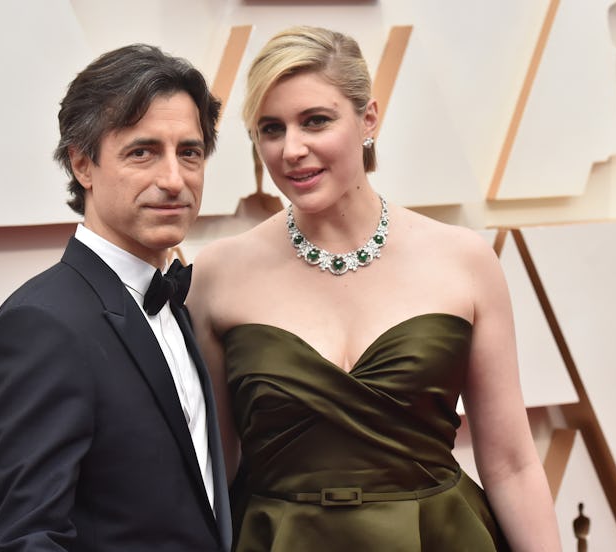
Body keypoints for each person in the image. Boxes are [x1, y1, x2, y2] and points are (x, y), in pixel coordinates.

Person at [187, 26, 561, 551]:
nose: (292, 149)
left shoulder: (465, 260)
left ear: (368, 119)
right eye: (271, 129)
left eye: (315, 120)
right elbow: (215, 475)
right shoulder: (217, 274)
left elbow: (512, 465)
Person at [0, 44, 231, 551]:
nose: (173, 180)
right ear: (82, 164)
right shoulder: (41, 324)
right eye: (142, 152)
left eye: (189, 152)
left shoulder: (176, 301)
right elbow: (28, 538)